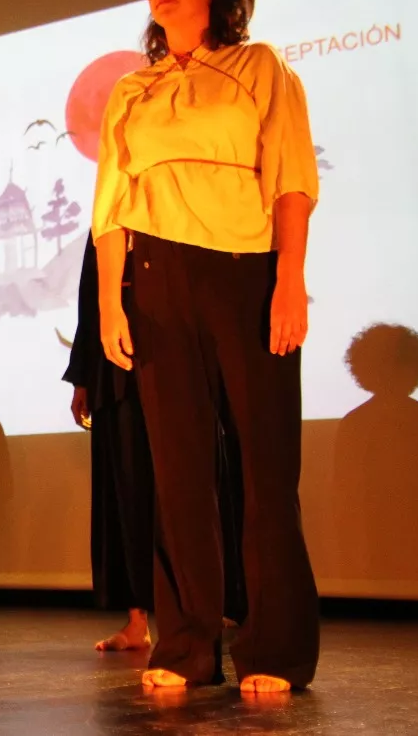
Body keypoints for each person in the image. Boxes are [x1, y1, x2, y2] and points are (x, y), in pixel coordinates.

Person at [93, 0, 319, 694]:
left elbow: (290, 178)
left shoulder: (260, 65)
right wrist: (112, 307)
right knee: (178, 471)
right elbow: (111, 208)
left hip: (244, 270)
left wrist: (290, 280)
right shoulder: (133, 88)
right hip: (155, 277)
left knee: (265, 467)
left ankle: (275, 652)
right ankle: (186, 645)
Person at [66, 238, 250, 653]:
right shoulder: (104, 228)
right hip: (117, 371)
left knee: (192, 493)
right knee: (128, 496)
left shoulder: (175, 213)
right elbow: (89, 302)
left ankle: (212, 606)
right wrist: (83, 379)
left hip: (180, 365)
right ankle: (136, 620)